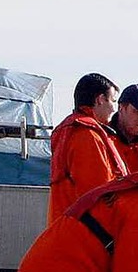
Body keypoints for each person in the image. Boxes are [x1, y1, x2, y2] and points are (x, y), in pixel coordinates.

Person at [48, 73, 127, 222]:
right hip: (84, 233)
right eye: (112, 101)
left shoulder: (70, 130)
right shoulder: (86, 135)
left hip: (66, 227)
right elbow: (99, 192)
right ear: (100, 100)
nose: (113, 110)